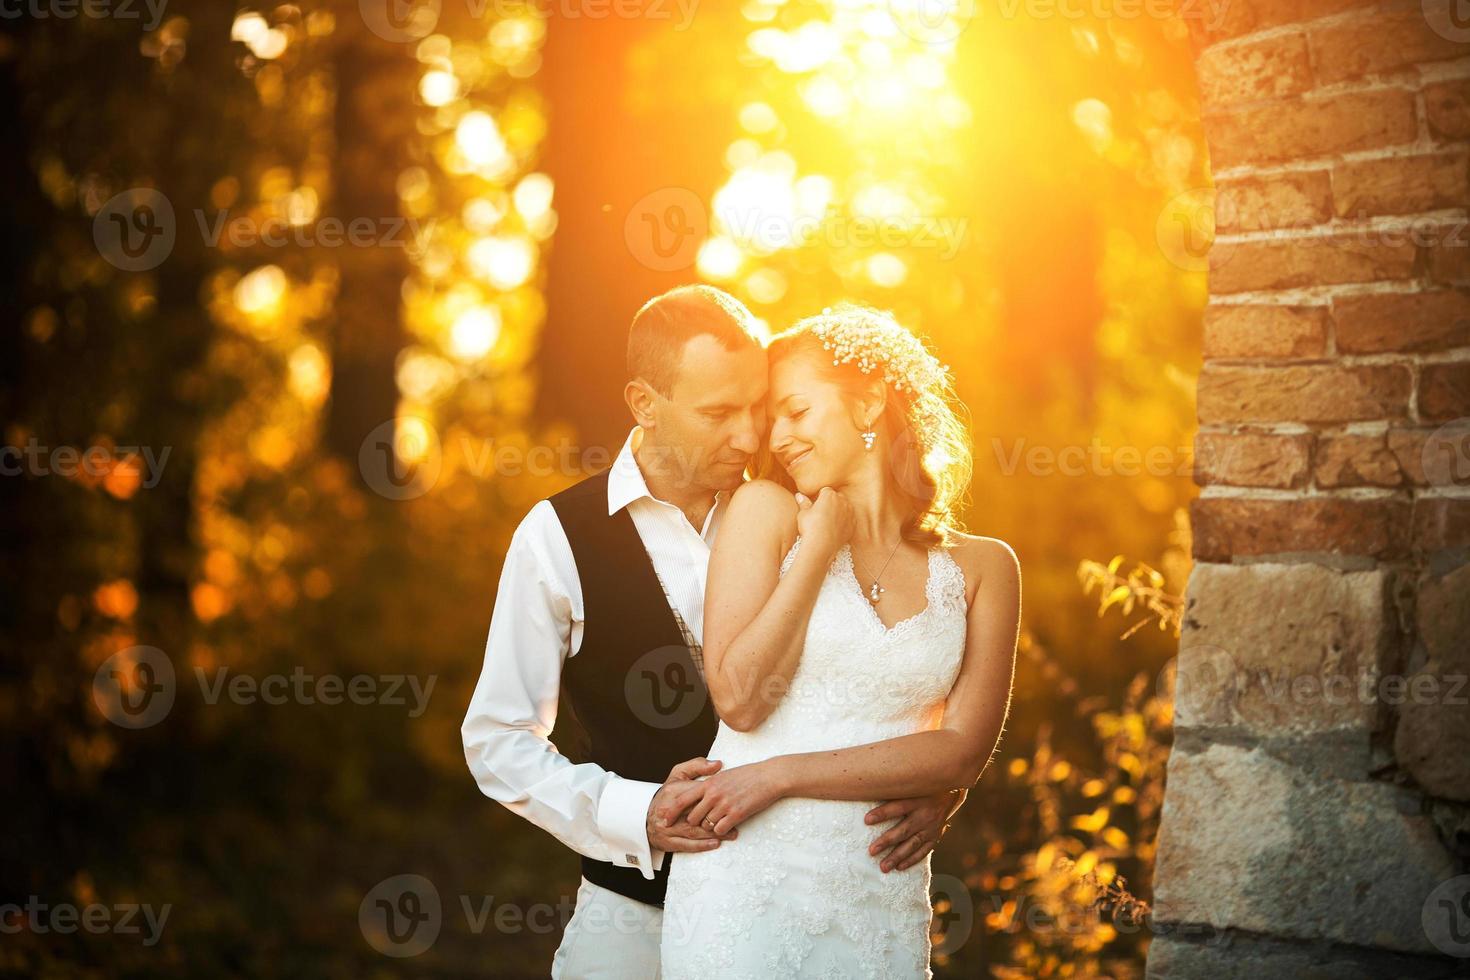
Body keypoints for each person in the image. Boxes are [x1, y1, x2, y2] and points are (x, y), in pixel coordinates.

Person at [461, 287, 968, 978]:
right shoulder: (558, 538)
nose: (750, 436)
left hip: (805, 906)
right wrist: (636, 812)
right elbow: (497, 740)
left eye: (757, 407)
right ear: (644, 403)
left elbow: (891, 667)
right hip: (633, 912)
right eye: (717, 413)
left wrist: (939, 786)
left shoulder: (812, 507)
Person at [659, 304, 1021, 978]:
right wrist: (819, 547)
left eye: (796, 411)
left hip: (876, 890)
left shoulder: (985, 568)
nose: (779, 436)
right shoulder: (764, 511)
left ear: (869, 404)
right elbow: (739, 700)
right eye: (773, 420)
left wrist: (779, 775)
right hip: (744, 878)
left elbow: (960, 751)